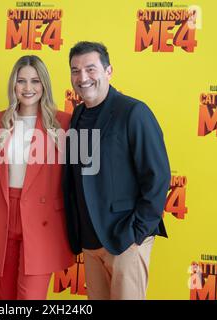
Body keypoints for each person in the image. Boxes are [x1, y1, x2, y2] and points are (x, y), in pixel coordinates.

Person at [62, 41, 171, 300]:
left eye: (90, 69)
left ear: (109, 71)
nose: (82, 77)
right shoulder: (76, 116)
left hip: (125, 240)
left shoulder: (133, 112)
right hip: (90, 241)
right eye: (75, 71)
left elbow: (158, 177)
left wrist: (136, 233)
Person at [0, 55, 74, 300]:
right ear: (13, 85)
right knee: (5, 298)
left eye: (35, 81)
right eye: (21, 81)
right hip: (3, 214)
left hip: (41, 218)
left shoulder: (63, 123)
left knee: (30, 298)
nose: (28, 88)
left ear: (44, 85)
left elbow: (83, 173)